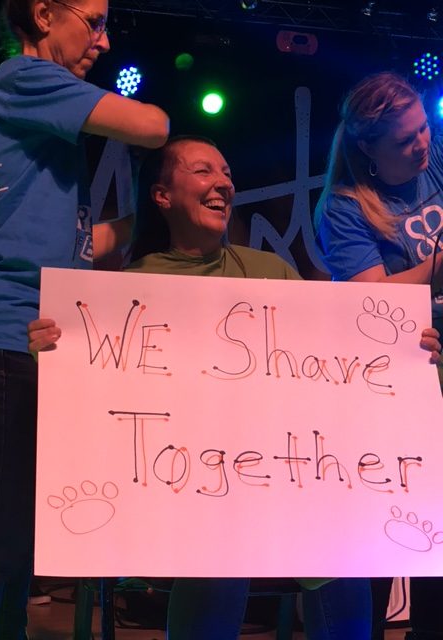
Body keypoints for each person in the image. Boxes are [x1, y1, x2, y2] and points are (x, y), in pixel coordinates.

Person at [28, 134, 442, 639]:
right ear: (162, 195)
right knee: (216, 557)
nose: (223, 181)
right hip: (188, 495)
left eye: (226, 172)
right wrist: (55, 351)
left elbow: (337, 371)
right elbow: (93, 403)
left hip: (287, 480)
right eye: (203, 171)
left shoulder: (269, 273)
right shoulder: (125, 292)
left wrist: (407, 356)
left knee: (340, 563)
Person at [0, 1, 169, 638]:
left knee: (17, 544)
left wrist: (147, 228)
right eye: (96, 21)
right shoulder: (25, 79)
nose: (104, 42)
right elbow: (153, 125)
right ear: (45, 13)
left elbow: (81, 249)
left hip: (28, 337)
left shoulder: (41, 123)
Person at [315, 71, 443, 640]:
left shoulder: (434, 160)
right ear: (367, 148)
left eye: (424, 130)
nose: (422, 145)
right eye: (405, 140)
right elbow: (368, 298)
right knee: (407, 525)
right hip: (402, 379)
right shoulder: (344, 208)